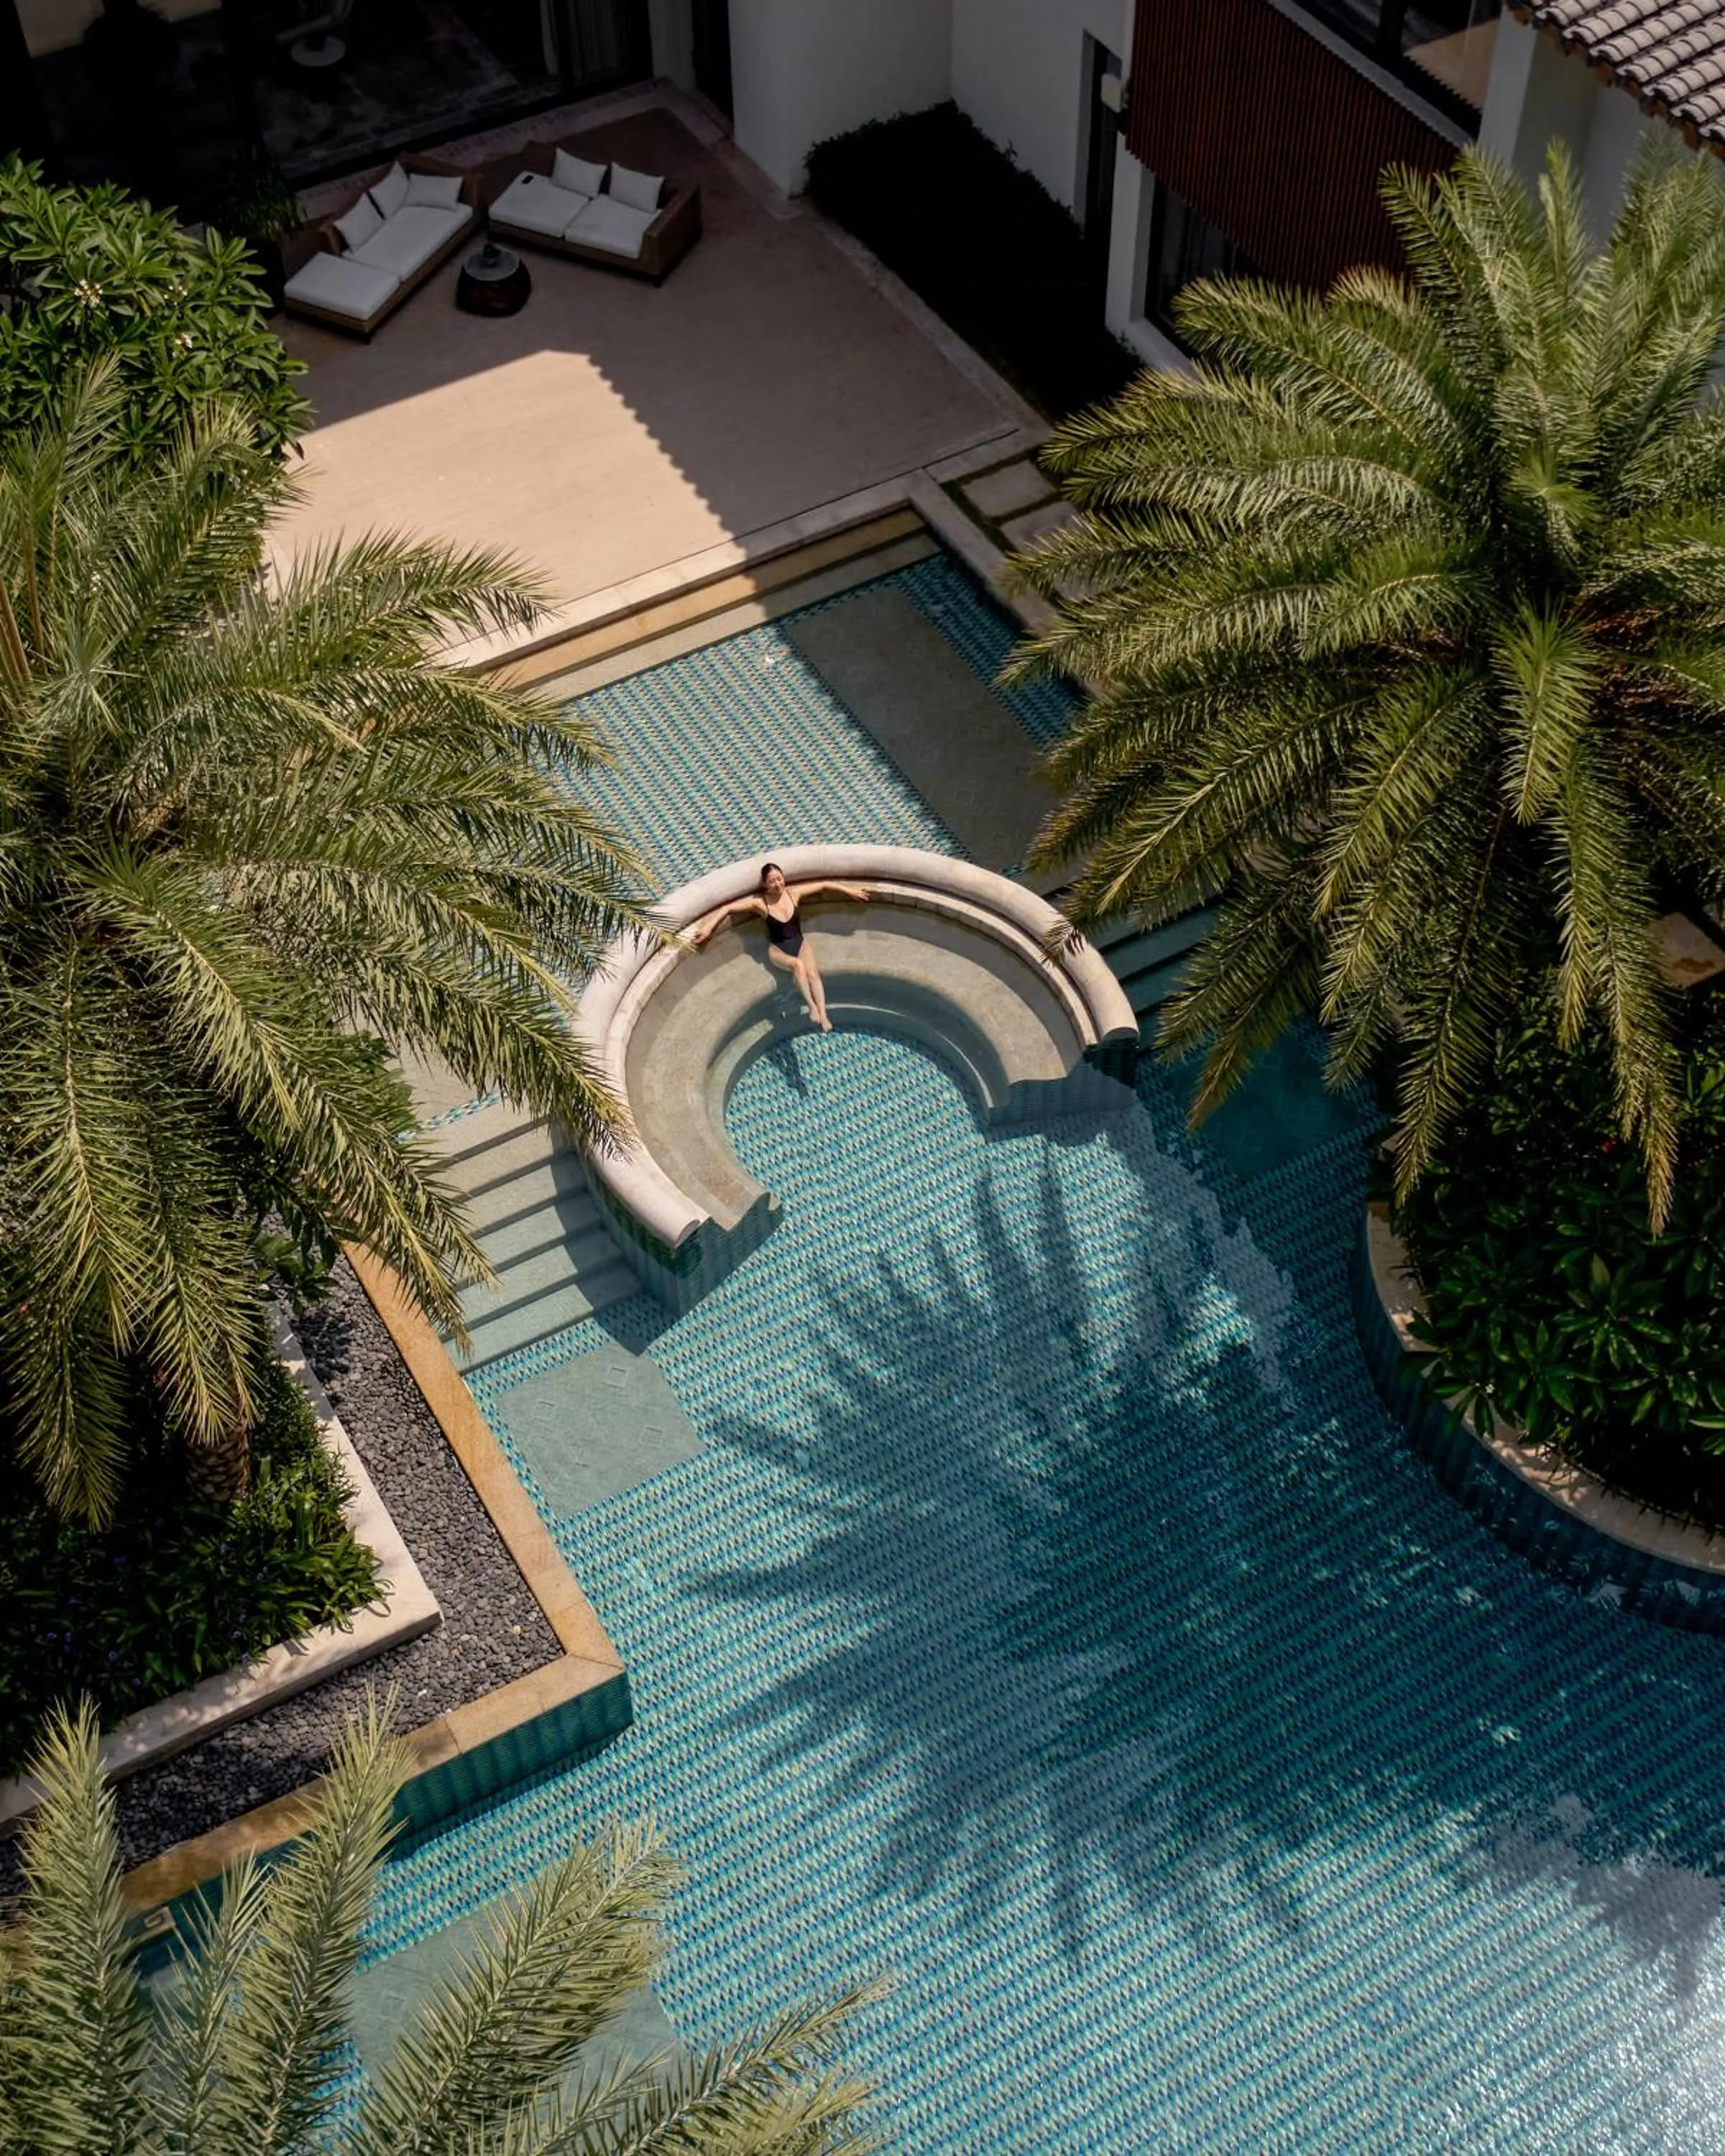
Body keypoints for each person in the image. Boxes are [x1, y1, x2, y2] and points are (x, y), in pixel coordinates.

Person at [691, 862, 869, 1032]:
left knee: (814, 974)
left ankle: (823, 1015)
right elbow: (728, 908)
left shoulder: (794, 895)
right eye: (772, 881)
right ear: (765, 885)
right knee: (798, 966)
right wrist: (709, 927)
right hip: (778, 950)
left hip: (800, 943)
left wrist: (851, 892)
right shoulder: (761, 904)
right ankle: (812, 1007)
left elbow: (824, 885)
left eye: (779, 878)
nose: (777, 884)